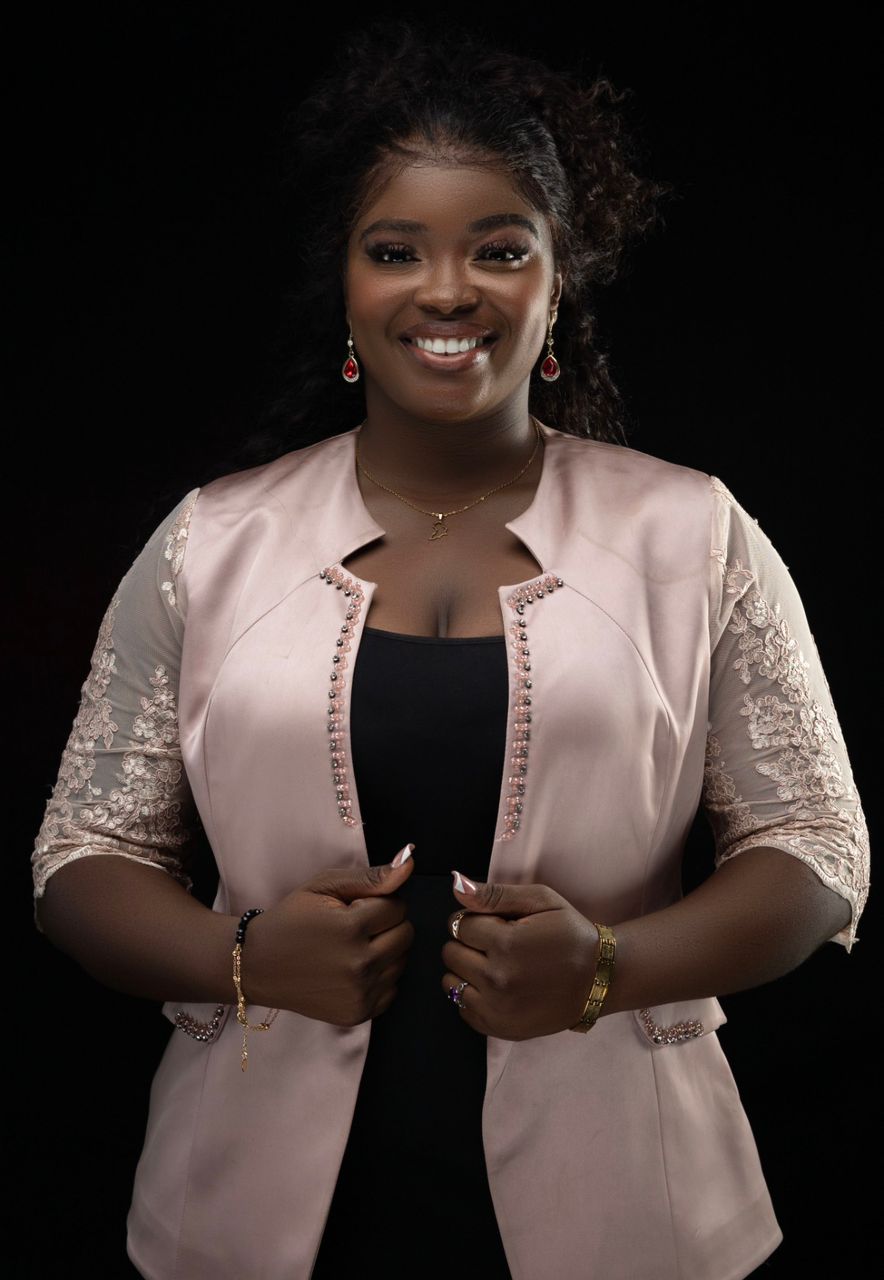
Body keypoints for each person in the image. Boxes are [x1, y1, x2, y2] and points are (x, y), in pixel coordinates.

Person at [30, 21, 869, 1280]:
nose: (444, 290)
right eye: (394, 250)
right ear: (344, 282)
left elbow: (815, 846)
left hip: (633, 1215)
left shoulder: (692, 532)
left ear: (556, 280)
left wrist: (607, 968)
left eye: (498, 248)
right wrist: (243, 958)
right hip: (240, 1215)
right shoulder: (210, 540)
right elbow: (81, 855)